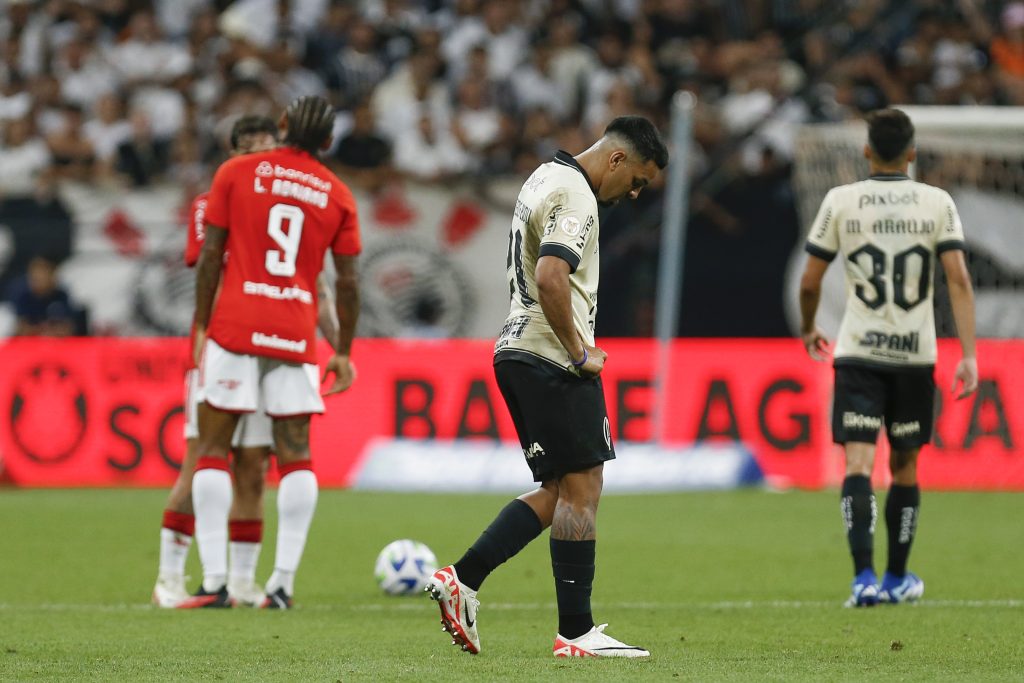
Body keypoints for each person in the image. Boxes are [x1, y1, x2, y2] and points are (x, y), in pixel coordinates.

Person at [426, 116, 667, 657]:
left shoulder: (541, 176)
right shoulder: (576, 194)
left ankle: (462, 579)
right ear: (617, 159)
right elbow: (552, 276)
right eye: (637, 181)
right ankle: (575, 633)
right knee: (583, 488)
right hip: (551, 354)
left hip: (515, 347)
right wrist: (579, 350)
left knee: (561, 489)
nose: (632, 194)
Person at [183, 96, 360, 609]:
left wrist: (200, 324)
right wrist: (343, 349)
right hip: (295, 330)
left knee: (213, 448)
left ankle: (215, 581)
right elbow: (347, 283)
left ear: (282, 127)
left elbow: (210, 255)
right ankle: (281, 583)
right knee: (295, 454)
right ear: (327, 142)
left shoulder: (236, 172)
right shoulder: (338, 194)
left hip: (235, 324)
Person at [798, 108, 978, 608]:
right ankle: (898, 577)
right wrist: (968, 355)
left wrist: (810, 325)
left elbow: (811, 280)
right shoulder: (936, 202)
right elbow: (959, 279)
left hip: (859, 353)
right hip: (915, 358)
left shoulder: (841, 200)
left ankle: (864, 579)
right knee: (905, 466)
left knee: (858, 463)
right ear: (913, 152)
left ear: (866, 151)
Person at [152, 115, 322, 609]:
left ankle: (243, 583)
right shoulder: (212, 203)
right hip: (222, 347)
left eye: (266, 150)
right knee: (199, 458)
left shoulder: (288, 203)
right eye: (248, 151)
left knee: (252, 467)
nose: (258, 160)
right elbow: (210, 262)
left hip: (271, 347)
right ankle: (169, 576)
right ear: (232, 157)